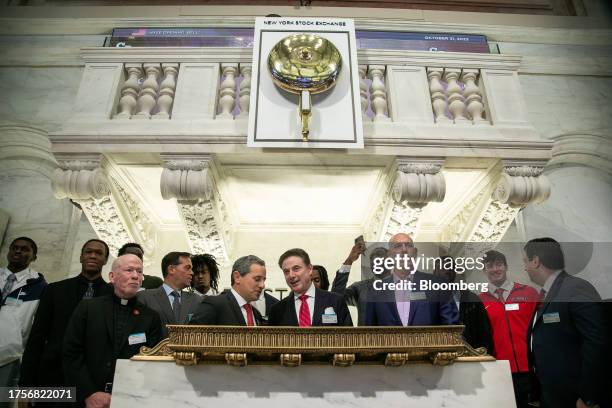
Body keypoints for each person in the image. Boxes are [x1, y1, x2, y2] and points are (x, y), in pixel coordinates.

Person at [63, 254, 162, 407]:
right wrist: (89, 393)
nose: (136, 276)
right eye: (129, 270)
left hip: (130, 399)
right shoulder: (88, 309)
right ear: (112, 276)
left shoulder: (151, 317)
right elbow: (71, 353)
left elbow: (151, 363)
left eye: (139, 271)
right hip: (86, 399)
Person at [524, 238, 608, 408]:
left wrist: (587, 396)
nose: (524, 267)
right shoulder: (547, 294)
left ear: (536, 261)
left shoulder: (576, 288)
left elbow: (597, 342)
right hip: (552, 395)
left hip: (575, 398)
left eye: (525, 261)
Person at [20, 239, 113, 389]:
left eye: (99, 253)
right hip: (52, 375)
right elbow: (37, 336)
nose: (93, 256)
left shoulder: (113, 295)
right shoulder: (55, 290)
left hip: (93, 380)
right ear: (81, 257)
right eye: (88, 252)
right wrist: (25, 384)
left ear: (105, 260)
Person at [479, 249, 539, 408]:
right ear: (483, 270)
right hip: (500, 371)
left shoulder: (529, 293)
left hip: (533, 368)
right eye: (489, 265)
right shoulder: (479, 301)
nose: (495, 269)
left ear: (506, 267)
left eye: (499, 264)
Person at [364, 233, 458, 326]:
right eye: (398, 246)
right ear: (389, 255)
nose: (404, 250)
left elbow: (452, 329)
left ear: (415, 252)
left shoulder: (438, 285)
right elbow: (369, 333)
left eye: (408, 245)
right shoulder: (375, 291)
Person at [0, 237, 47, 393]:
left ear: (34, 256)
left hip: (8, 357)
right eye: (14, 247)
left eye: (25, 249)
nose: (18, 251)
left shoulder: (39, 286)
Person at [268, 248, 352, 327]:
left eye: (296, 269)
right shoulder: (277, 310)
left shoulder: (336, 301)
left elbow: (350, 339)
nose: (291, 275)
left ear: (310, 269)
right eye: (286, 272)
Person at [432, 255, 494, 353]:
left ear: (454, 272)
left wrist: (486, 357)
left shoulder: (472, 299)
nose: (447, 271)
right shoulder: (426, 301)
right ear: (434, 273)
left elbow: (485, 332)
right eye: (442, 268)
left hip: (472, 356)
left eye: (450, 268)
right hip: (439, 358)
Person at [137, 252, 201, 338]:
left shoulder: (196, 300)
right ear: (171, 269)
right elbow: (136, 335)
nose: (192, 273)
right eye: (187, 268)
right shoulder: (144, 297)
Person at [190, 255, 266, 326]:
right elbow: (191, 336)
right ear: (237, 277)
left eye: (264, 280)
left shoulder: (256, 314)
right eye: (257, 279)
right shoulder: (215, 305)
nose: (262, 285)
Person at [331, 244, 389, 326]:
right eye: (374, 260)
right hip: (365, 338)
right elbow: (335, 297)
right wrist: (349, 261)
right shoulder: (360, 288)